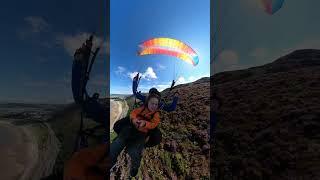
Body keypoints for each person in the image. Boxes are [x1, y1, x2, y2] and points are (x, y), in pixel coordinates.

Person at [110, 93, 161, 178]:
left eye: (156, 104)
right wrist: (134, 120)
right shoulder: (141, 109)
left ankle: (135, 166)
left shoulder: (156, 115)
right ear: (147, 102)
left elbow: (154, 124)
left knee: (133, 151)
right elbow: (133, 113)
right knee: (118, 143)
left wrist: (145, 123)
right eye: (152, 103)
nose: (154, 106)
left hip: (141, 134)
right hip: (131, 129)